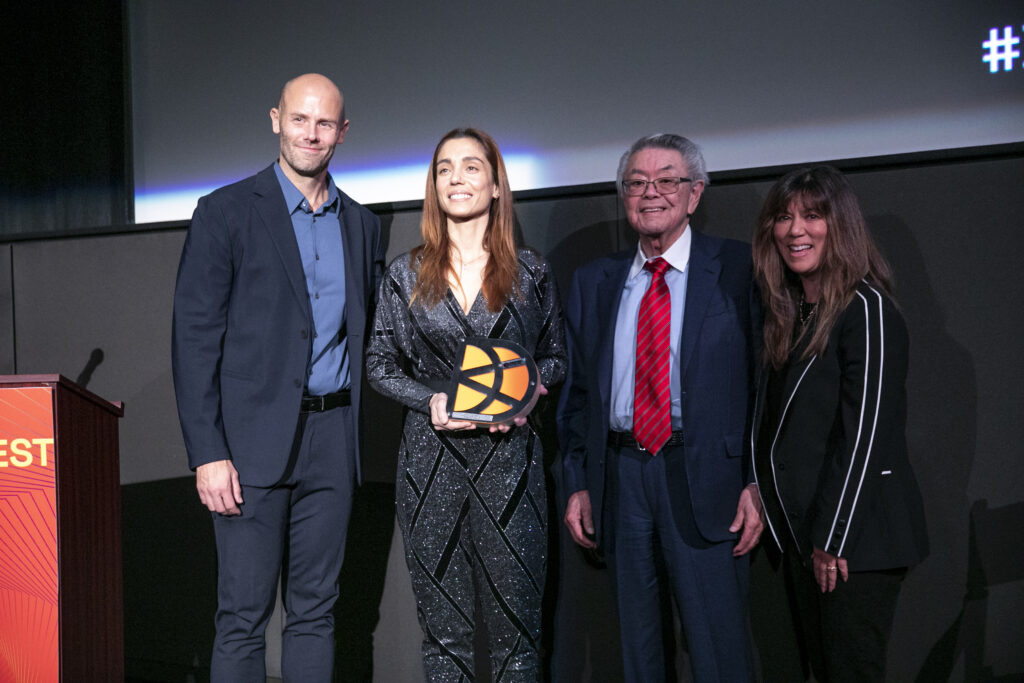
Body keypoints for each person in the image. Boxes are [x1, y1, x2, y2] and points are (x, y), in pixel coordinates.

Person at [171, 73, 385, 682]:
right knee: (242, 615)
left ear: (342, 132)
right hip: (248, 443)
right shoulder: (225, 212)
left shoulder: (362, 225)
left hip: (333, 440)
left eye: (324, 124)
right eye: (300, 119)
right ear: (275, 120)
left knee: (317, 612)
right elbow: (193, 340)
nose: (311, 134)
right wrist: (208, 452)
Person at [366, 127, 566, 681]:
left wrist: (523, 395)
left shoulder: (532, 271)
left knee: (518, 639)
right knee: (445, 639)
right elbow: (379, 365)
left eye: (472, 166)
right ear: (434, 186)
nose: (457, 177)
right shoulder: (404, 274)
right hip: (431, 466)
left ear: (497, 185)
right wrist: (429, 397)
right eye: (445, 168)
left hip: (510, 467)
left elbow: (554, 359)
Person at [560, 133, 762, 682]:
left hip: (708, 481)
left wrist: (756, 482)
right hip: (621, 480)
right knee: (637, 652)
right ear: (624, 196)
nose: (652, 193)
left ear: (694, 194)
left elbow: (766, 384)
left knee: (719, 651)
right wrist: (579, 480)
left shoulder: (741, 269)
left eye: (667, 180)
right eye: (637, 183)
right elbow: (577, 395)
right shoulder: (593, 282)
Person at [750, 165, 928, 682]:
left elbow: (866, 436)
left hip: (854, 542)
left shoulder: (866, 310)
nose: (795, 230)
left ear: (841, 225)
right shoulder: (789, 315)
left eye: (812, 215)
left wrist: (834, 538)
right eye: (783, 217)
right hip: (807, 540)